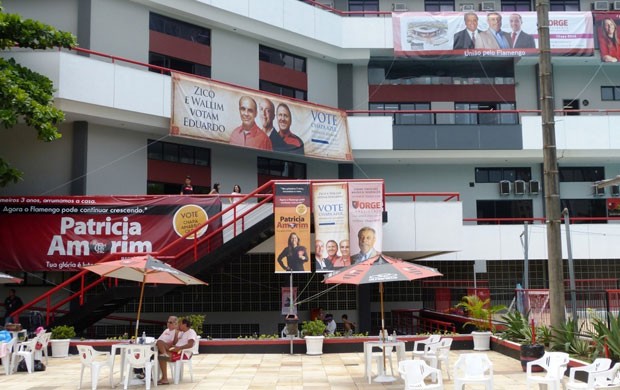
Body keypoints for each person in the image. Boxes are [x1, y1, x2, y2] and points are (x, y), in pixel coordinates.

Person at [158, 317, 197, 385]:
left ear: (184, 325)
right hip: (175, 350)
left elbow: (190, 344)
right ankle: (162, 377)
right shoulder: (182, 333)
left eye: (180, 324)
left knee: (161, 357)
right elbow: (175, 342)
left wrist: (180, 348)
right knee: (160, 343)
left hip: (182, 354)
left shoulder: (191, 332)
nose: (178, 325)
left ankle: (165, 379)